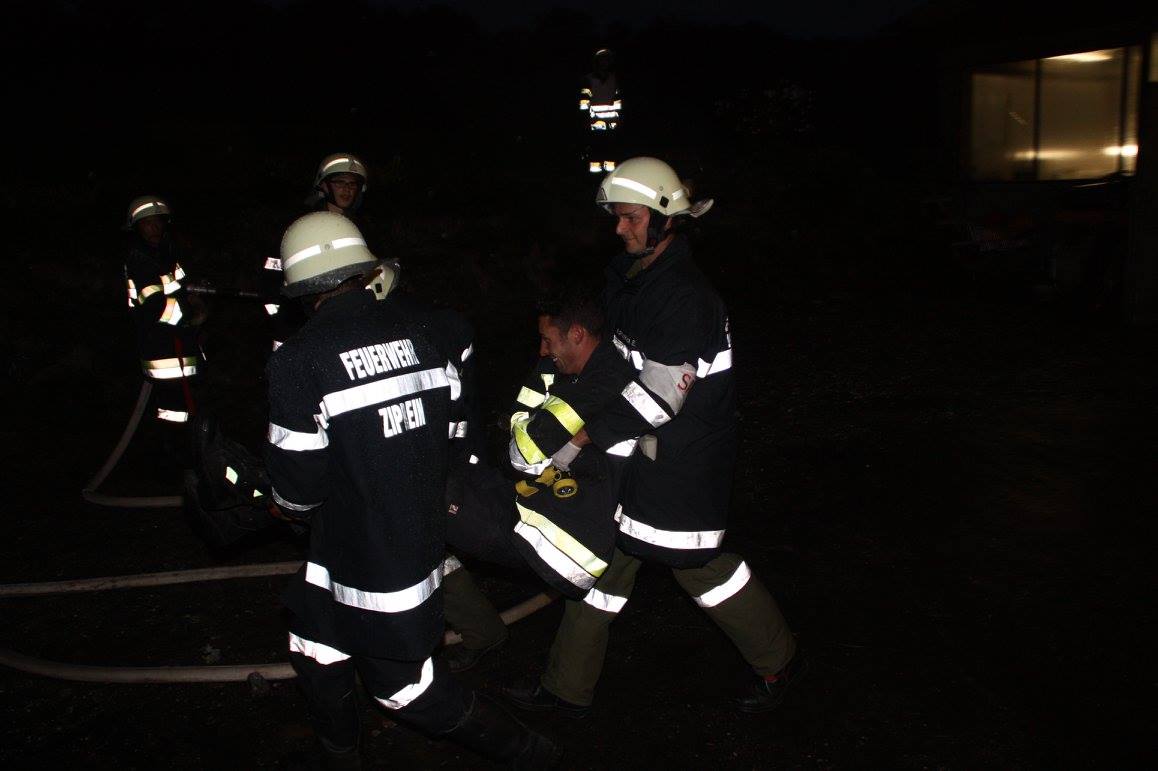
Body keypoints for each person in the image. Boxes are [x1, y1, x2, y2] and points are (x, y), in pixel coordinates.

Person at [503, 157, 804, 718]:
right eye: (617, 218)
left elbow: (660, 397)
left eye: (631, 218)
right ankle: (565, 688)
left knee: (700, 567)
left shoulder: (684, 297)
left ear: (667, 219)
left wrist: (579, 441)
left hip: (682, 462)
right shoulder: (629, 279)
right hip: (638, 453)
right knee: (603, 562)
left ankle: (778, 660)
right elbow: (611, 359)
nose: (620, 229)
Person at [265, 211, 558, 768]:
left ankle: (531, 752)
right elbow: (454, 435)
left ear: (302, 288)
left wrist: (275, 500)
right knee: (315, 648)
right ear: (363, 271)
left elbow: (298, 490)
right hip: (383, 543)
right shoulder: (425, 336)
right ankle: (340, 753)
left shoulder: (297, 361)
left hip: (378, 567)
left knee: (403, 688)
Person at [440, 286, 637, 672]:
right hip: (532, 501)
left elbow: (525, 451)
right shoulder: (556, 370)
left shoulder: (605, 380)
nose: (543, 351)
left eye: (548, 340)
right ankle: (483, 631)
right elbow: (517, 441)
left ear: (576, 334)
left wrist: (535, 440)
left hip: (559, 535)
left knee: (432, 509)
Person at [263, 153, 369, 352]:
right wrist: (279, 314)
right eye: (339, 182)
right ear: (324, 185)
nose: (347, 189)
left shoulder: (361, 229)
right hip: (302, 320)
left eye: (352, 184)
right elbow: (273, 272)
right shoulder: (302, 226)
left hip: (346, 319)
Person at [121, 195, 204, 431]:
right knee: (173, 415)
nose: (155, 227)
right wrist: (192, 314)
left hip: (179, 346)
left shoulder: (166, 252)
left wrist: (194, 294)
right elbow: (154, 306)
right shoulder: (140, 260)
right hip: (162, 348)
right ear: (136, 227)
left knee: (190, 410)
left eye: (158, 221)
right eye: (147, 223)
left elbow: (181, 284)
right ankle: (177, 449)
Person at [580, 49, 622, 174]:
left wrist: (619, 118)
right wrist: (585, 118)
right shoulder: (589, 79)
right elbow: (584, 101)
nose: (604, 62)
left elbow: (618, 99)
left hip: (612, 122)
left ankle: (610, 174)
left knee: (611, 150)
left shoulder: (614, 78)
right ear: (597, 62)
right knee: (596, 149)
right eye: (602, 60)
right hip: (595, 122)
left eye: (607, 60)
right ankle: (594, 175)